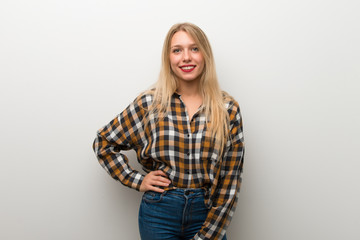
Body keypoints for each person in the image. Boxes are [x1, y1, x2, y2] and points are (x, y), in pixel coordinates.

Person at [92, 22, 245, 240]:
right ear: (169, 58)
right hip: (159, 213)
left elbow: (231, 180)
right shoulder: (150, 104)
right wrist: (137, 180)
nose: (186, 57)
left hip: (208, 212)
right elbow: (103, 143)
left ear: (205, 55)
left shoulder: (228, 108)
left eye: (194, 48)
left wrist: (208, 235)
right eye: (177, 50)